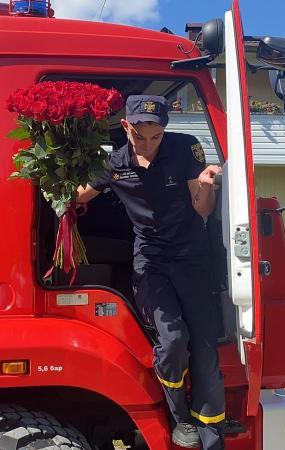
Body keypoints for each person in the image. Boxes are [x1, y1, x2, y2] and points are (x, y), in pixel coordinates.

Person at [77, 95, 226, 449]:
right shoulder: (115, 163)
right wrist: (54, 184)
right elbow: (79, 195)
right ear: (126, 126)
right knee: (173, 340)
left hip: (191, 257)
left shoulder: (185, 149)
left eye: (156, 136)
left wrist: (206, 186)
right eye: (140, 136)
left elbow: (202, 209)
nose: (148, 145)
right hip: (151, 260)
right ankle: (179, 418)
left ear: (165, 130)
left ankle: (212, 437)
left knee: (205, 349)